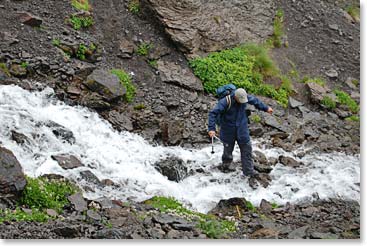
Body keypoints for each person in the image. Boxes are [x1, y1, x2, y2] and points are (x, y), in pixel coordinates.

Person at [208, 88, 273, 188]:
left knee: (247, 148)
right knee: (228, 150)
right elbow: (213, 113)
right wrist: (211, 129)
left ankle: (248, 171)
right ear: (235, 97)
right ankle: (226, 166)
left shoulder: (245, 97)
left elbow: (255, 101)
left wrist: (266, 108)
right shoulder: (225, 102)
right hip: (228, 130)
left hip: (242, 128)